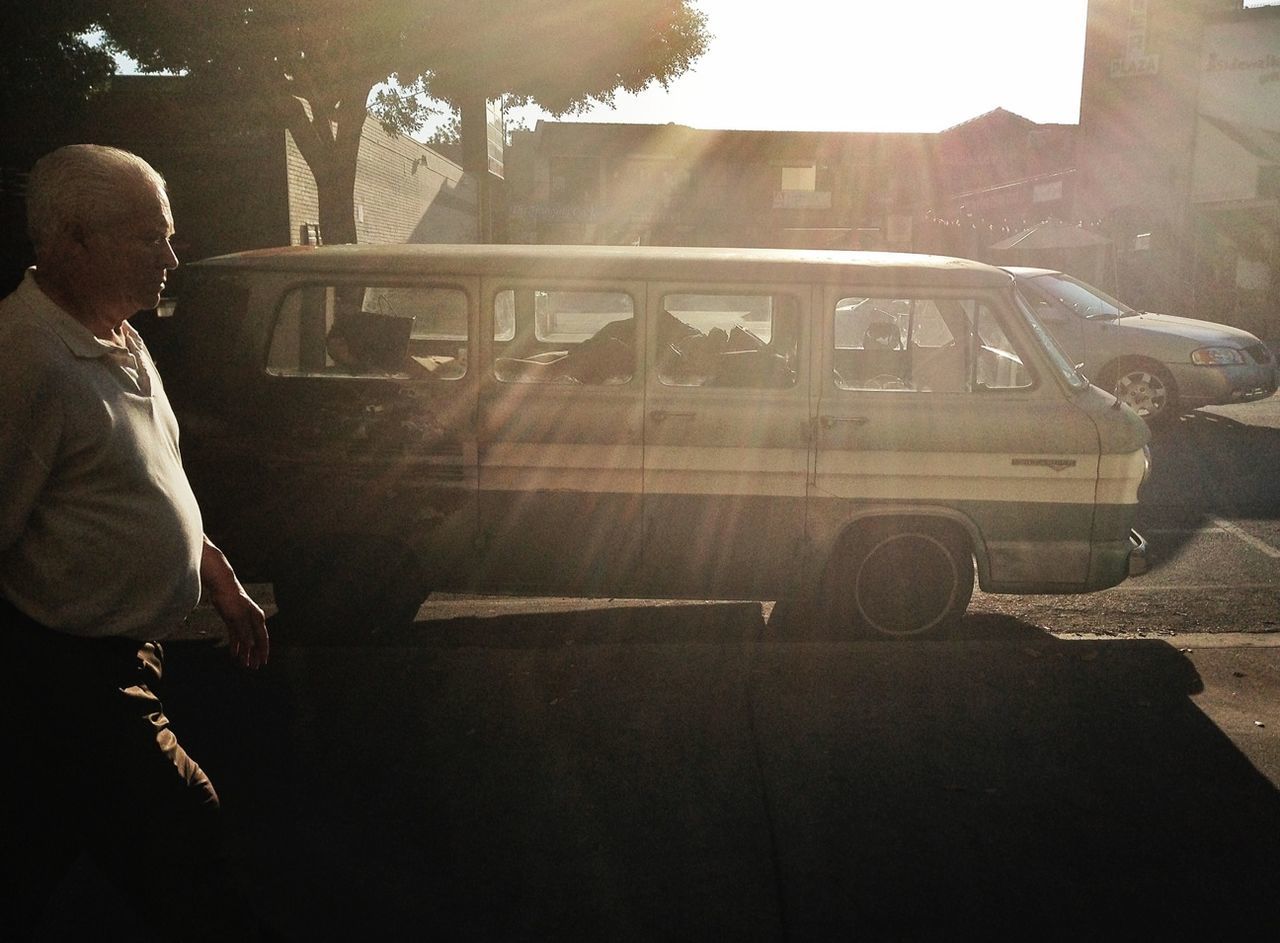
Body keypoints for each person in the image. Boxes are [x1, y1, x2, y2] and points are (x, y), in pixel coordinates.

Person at [0, 145, 273, 939]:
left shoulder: (118, 335)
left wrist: (213, 569)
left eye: (170, 235)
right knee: (185, 834)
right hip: (66, 672)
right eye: (148, 238)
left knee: (34, 853)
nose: (171, 257)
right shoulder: (27, 360)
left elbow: (141, 479)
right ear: (70, 241)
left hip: (111, 660)